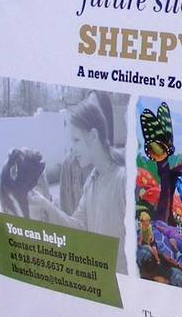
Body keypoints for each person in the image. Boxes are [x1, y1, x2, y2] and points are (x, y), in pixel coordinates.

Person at [29, 96, 126, 239]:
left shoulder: (122, 180)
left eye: (76, 140)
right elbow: (78, 227)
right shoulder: (91, 183)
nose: (72, 149)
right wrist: (45, 205)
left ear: (93, 135)